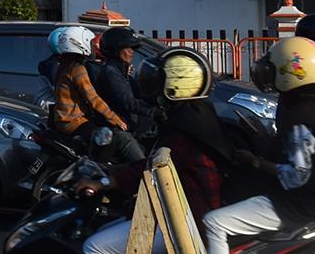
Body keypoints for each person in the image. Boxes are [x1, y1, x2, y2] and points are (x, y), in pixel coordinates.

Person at [204, 38, 315, 254]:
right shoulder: (310, 105)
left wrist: (257, 163)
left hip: (296, 205)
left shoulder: (299, 115)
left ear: (291, 72)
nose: (265, 73)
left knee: (214, 222)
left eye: (273, 69)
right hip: (310, 200)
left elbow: (297, 174)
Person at [81, 48, 236, 254]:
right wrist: (113, 169)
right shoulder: (192, 116)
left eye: (158, 80)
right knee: (107, 228)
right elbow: (152, 162)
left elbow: (153, 171)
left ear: (177, 84)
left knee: (94, 246)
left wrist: (103, 183)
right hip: (178, 211)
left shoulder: (185, 130)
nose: (151, 85)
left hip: (188, 222)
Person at [44, 25, 143, 162]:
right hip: (73, 121)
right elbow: (93, 98)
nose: (93, 48)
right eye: (90, 43)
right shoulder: (77, 69)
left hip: (65, 120)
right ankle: (96, 171)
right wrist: (115, 119)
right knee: (108, 138)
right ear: (79, 43)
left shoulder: (65, 66)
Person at [92, 27, 157, 137]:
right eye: (127, 48)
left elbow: (140, 92)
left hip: (130, 126)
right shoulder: (110, 73)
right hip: (116, 131)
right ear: (115, 50)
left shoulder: (121, 71)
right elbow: (128, 102)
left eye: (133, 48)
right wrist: (154, 112)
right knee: (138, 155)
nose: (132, 51)